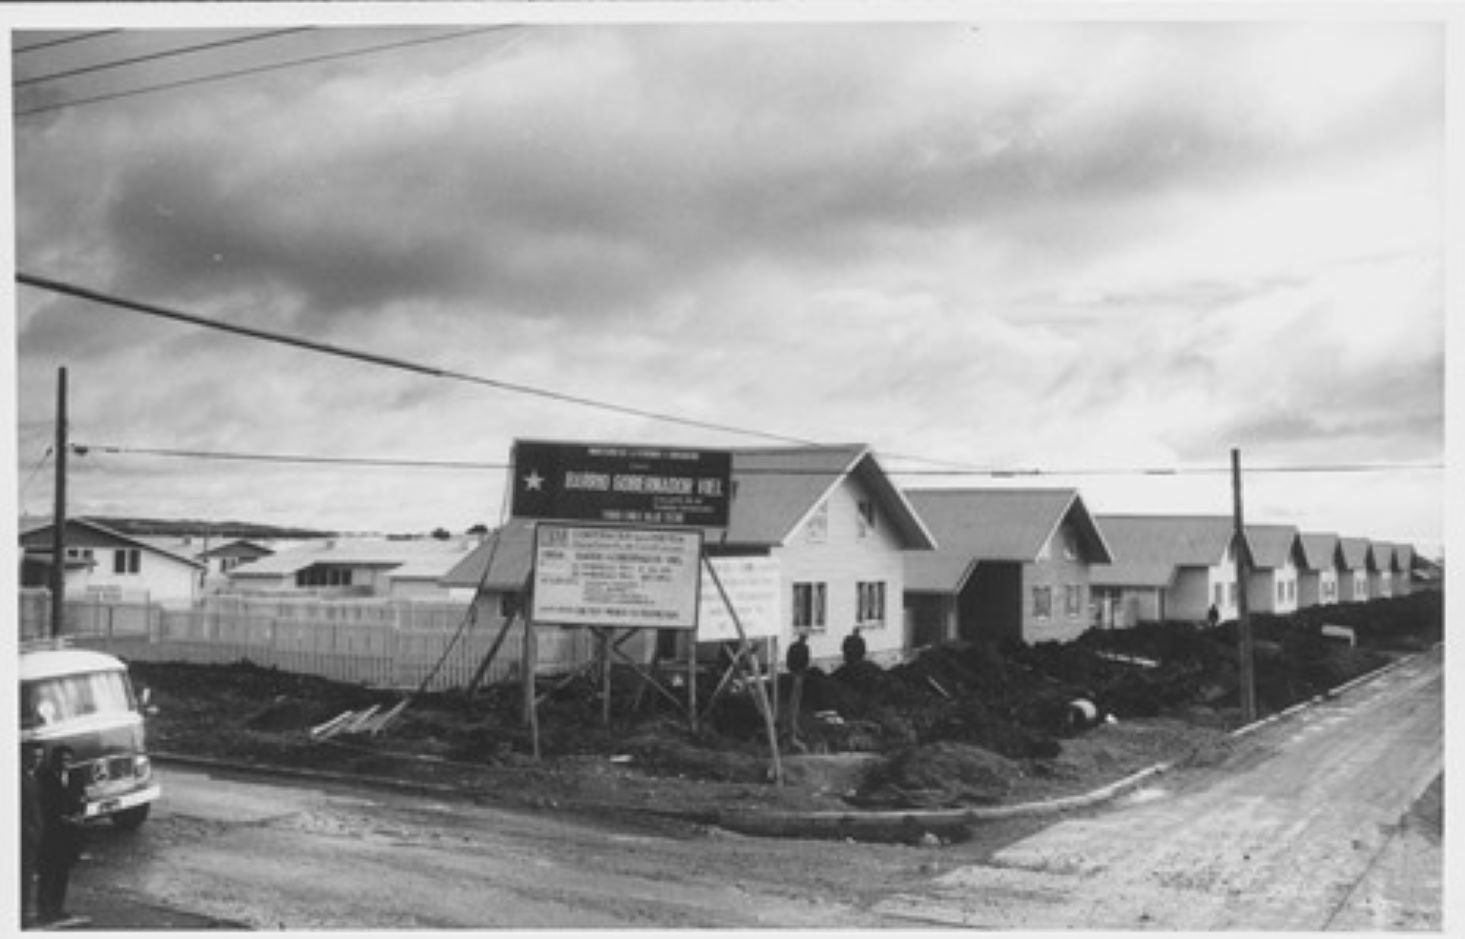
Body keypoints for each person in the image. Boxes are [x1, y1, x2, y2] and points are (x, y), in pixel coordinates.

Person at [36, 746, 85, 925]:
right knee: (48, 872)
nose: (66, 764)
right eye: (62, 761)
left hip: (69, 833)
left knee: (63, 872)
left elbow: (81, 797)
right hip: (51, 833)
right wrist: (59, 818)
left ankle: (58, 908)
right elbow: (42, 805)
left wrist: (79, 814)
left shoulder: (75, 776)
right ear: (55, 761)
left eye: (68, 761)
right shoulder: (45, 778)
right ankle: (44, 910)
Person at [21, 744, 45, 927]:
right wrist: (29, 830)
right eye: (34, 757)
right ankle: (20, 917)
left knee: (28, 877)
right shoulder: (21, 778)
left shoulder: (32, 777)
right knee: (23, 877)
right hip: (25, 836)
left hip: (33, 834)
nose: (37, 761)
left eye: (40, 757)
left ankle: (23, 914)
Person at [784, 632, 811, 741]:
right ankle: (792, 725)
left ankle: (793, 723)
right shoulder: (804, 648)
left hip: (793, 671)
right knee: (795, 697)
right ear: (804, 639)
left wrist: (790, 668)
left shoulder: (793, 646)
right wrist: (802, 671)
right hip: (798, 673)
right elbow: (805, 661)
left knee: (794, 696)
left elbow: (788, 657)